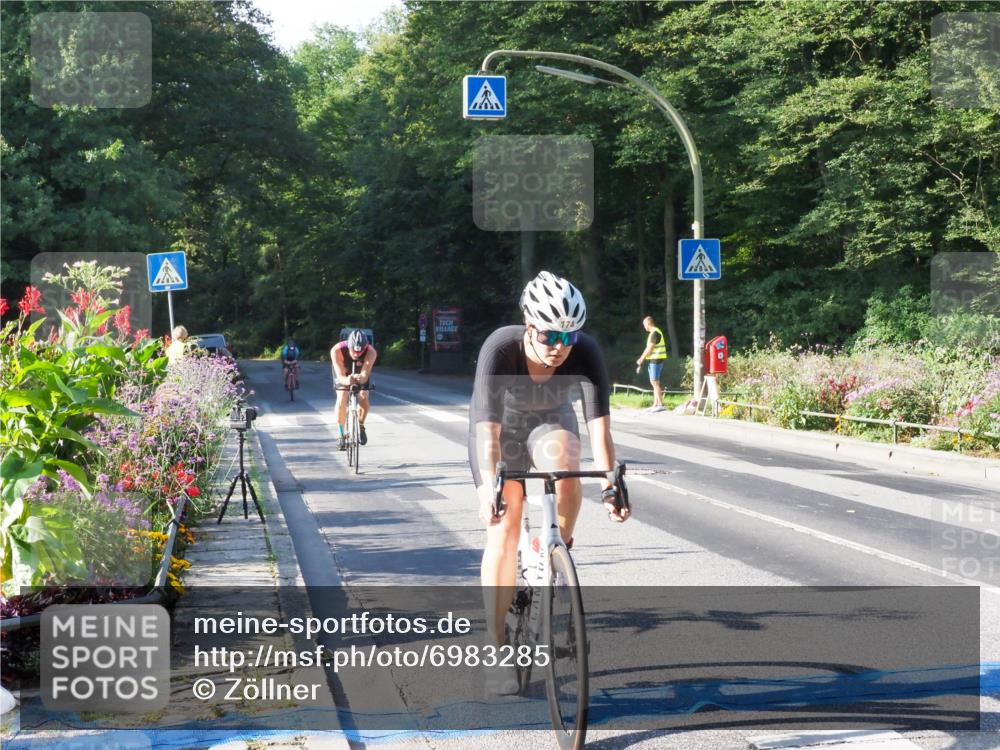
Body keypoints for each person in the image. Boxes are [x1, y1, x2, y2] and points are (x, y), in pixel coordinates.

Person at [469, 271, 630, 694]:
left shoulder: (584, 350)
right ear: (528, 323)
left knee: (568, 464)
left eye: (569, 337)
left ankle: (554, 551)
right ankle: (496, 646)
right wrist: (489, 488)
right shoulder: (500, 348)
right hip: (501, 431)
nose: (559, 347)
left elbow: (600, 429)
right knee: (504, 525)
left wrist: (611, 486)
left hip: (551, 423)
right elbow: (487, 434)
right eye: (549, 336)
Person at [331, 328, 377, 451]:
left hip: (360, 371)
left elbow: (364, 375)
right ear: (349, 345)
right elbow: (340, 377)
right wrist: (347, 380)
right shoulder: (337, 350)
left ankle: (361, 425)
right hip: (343, 372)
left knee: (364, 396)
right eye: (354, 351)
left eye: (360, 351)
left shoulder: (371, 352)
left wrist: (360, 378)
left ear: (365, 347)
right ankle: (341, 434)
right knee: (342, 397)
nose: (356, 354)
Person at [636, 315, 668, 412]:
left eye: (644, 325)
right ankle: (655, 404)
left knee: (655, 382)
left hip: (656, 359)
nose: (644, 327)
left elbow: (649, 348)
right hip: (655, 359)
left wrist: (641, 359)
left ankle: (660, 405)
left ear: (648, 324)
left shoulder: (654, 333)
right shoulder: (655, 332)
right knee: (654, 382)